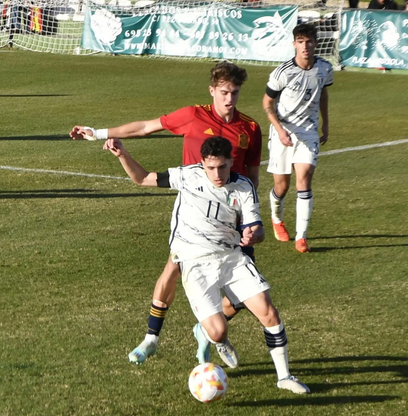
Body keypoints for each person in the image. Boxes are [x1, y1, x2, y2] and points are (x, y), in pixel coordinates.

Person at [68, 62, 263, 367]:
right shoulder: (193, 115)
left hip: (233, 217)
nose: (229, 98)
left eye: (234, 92)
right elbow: (145, 127)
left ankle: (208, 331)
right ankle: (151, 339)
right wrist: (97, 133)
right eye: (223, 92)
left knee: (243, 293)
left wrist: (250, 218)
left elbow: (252, 177)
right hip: (194, 215)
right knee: (173, 267)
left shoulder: (250, 129)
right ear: (212, 90)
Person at [102, 135, 309, 394]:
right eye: (211, 167)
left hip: (232, 258)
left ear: (232, 162)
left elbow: (257, 228)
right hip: (195, 261)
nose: (217, 173)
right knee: (219, 332)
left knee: (269, 312)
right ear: (202, 164)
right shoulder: (188, 176)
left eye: (222, 167)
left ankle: (284, 377)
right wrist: (122, 154)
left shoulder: (244, 187)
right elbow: (142, 178)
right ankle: (208, 334)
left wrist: (254, 234)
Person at [263, 23, 331, 253]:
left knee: (305, 177)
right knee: (281, 187)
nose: (305, 46)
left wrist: (326, 124)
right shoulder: (282, 72)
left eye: (309, 41)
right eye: (300, 41)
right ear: (294, 44)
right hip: (283, 131)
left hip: (308, 131)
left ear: (315, 43)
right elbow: (267, 102)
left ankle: (301, 238)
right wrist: (279, 130)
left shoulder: (324, 68)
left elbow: (323, 94)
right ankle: (276, 217)